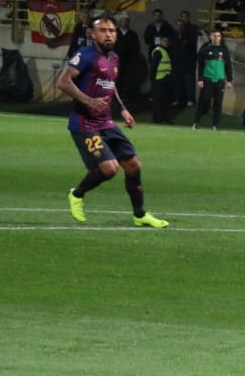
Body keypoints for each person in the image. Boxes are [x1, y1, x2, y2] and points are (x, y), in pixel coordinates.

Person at [59, 16, 169, 229]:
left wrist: (123, 109)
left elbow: (111, 85)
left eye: (112, 30)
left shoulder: (114, 57)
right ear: (92, 33)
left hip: (106, 122)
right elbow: (63, 81)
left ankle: (140, 215)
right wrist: (88, 100)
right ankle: (77, 194)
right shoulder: (85, 55)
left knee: (134, 166)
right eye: (103, 30)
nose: (108, 34)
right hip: (84, 123)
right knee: (109, 169)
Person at [191, 29, 233, 130]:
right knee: (203, 101)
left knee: (218, 104)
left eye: (218, 36)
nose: (216, 38)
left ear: (221, 38)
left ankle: (215, 125)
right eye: (214, 36)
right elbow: (200, 65)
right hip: (207, 79)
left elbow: (228, 65)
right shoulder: (205, 48)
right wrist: (200, 79)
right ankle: (196, 122)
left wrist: (229, 80)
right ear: (210, 37)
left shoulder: (224, 50)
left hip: (219, 80)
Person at [148, 35, 174, 124]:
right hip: (159, 79)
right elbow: (154, 66)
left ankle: (163, 118)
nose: (166, 43)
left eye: (167, 41)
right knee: (159, 101)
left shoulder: (164, 51)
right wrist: (152, 79)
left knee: (164, 100)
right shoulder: (159, 51)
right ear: (160, 42)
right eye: (164, 41)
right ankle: (159, 119)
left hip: (164, 78)